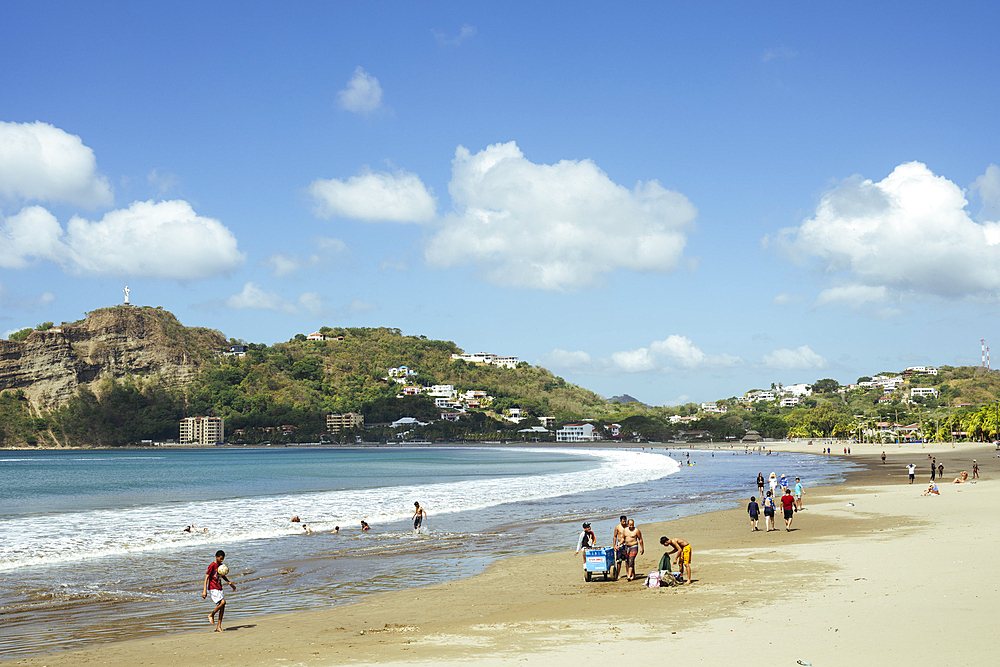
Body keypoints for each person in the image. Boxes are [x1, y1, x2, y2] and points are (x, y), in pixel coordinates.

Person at [202, 549, 236, 632]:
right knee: (223, 602)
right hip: (213, 588)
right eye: (220, 558)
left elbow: (222, 575)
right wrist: (204, 590)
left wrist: (229, 583)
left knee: (222, 607)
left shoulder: (221, 566)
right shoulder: (212, 566)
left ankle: (219, 626)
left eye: (223, 559)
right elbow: (206, 578)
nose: (222, 560)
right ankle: (211, 615)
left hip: (219, 587)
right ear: (216, 557)